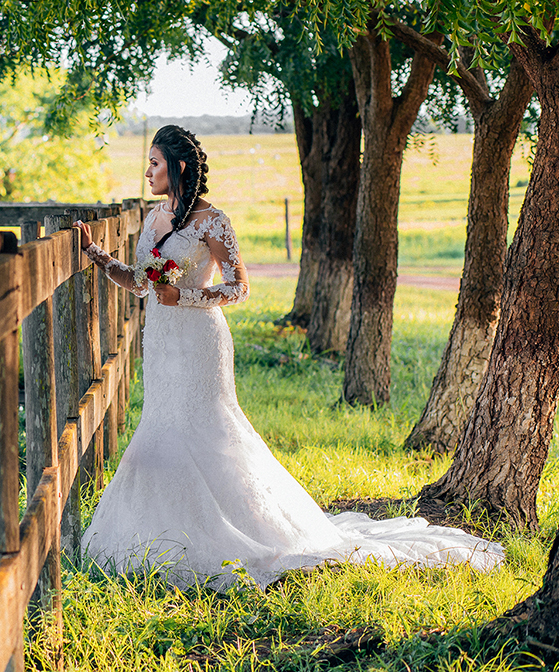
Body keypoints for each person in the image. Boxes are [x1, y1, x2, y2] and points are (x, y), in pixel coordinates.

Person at [74, 124, 502, 590]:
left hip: (199, 340)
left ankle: (236, 533)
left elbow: (239, 288)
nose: (147, 171)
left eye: (154, 163)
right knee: (161, 426)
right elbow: (140, 282)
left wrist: (187, 296)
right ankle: (156, 532)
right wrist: (96, 254)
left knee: (206, 430)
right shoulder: (154, 217)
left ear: (177, 167)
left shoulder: (213, 221)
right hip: (160, 342)